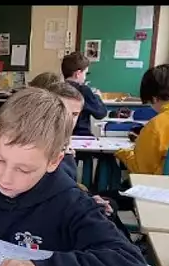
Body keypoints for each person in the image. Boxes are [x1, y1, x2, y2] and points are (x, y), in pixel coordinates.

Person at [0, 87, 149, 266]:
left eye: (23, 170)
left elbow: (132, 265)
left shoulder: (72, 203)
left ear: (54, 161)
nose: (4, 178)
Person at [46, 82, 132, 241]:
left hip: (68, 201)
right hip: (55, 214)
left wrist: (86, 198)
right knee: (106, 211)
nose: (68, 120)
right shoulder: (42, 145)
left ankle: (130, 249)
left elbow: (65, 184)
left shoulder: (63, 142)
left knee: (109, 206)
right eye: (62, 112)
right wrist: (84, 201)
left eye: (74, 114)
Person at [61, 52, 107, 136]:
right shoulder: (83, 90)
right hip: (81, 135)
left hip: (61, 137)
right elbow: (101, 113)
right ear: (78, 73)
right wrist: (97, 97)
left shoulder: (57, 88)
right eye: (85, 73)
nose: (85, 77)